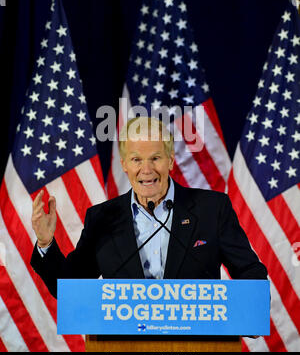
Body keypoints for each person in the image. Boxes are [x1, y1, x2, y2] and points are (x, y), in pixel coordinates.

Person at [31, 117, 268, 299]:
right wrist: (45, 243)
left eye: (155, 158)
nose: (146, 169)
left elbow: (249, 271)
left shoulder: (212, 209)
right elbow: (69, 288)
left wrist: (248, 310)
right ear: (124, 164)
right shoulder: (102, 218)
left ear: (171, 160)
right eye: (136, 160)